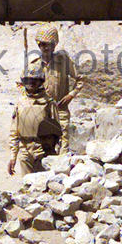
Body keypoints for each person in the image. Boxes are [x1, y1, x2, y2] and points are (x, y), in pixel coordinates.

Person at [29, 24, 83, 154]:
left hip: (60, 108)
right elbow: (22, 85)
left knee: (63, 140)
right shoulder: (34, 64)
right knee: (39, 145)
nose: (45, 47)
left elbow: (80, 79)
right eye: (42, 44)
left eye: (48, 44)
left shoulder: (63, 61)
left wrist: (71, 95)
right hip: (41, 110)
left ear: (54, 45)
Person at [8, 63, 63, 176]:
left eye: (35, 80)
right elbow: (14, 132)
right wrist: (13, 157)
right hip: (25, 150)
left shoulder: (48, 103)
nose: (31, 83)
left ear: (41, 81)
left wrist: (56, 155)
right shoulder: (20, 102)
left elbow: (58, 132)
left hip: (43, 150)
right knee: (27, 186)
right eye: (28, 80)